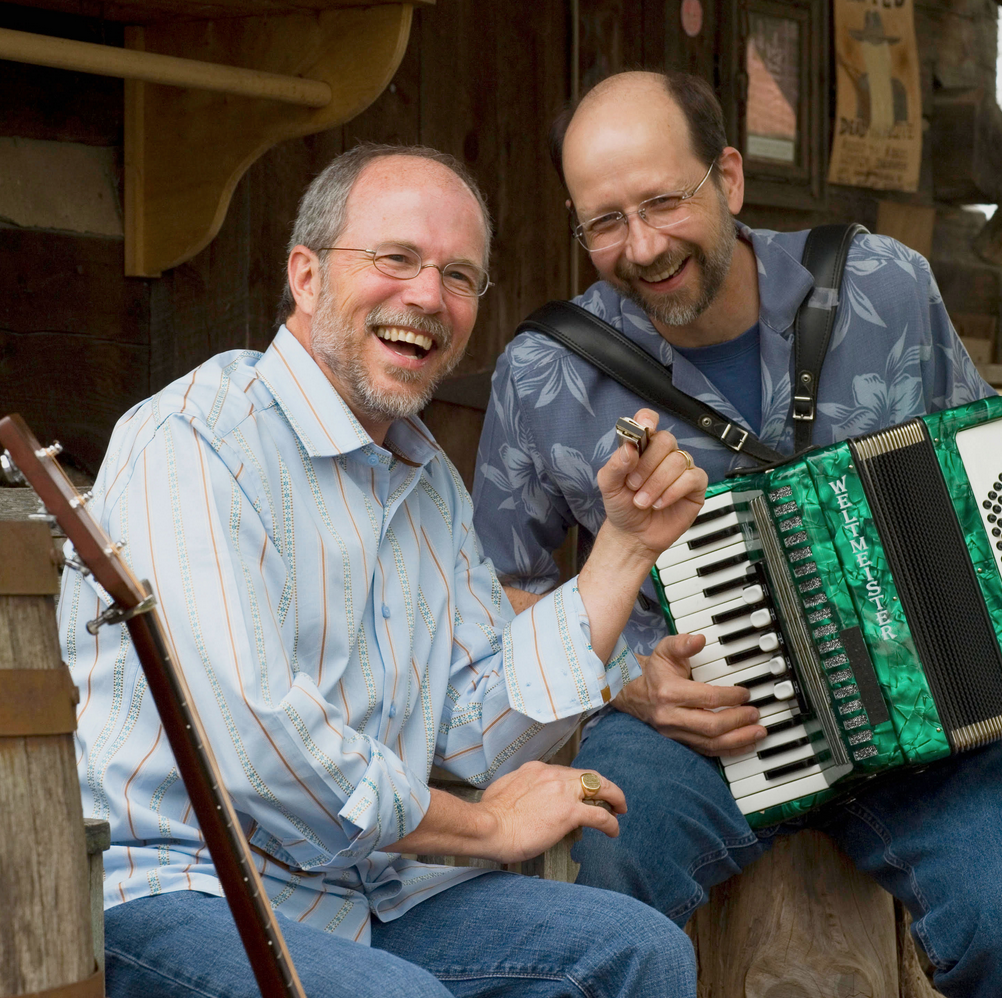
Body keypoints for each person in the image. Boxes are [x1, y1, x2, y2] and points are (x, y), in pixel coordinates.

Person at [59, 142, 705, 998]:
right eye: (396, 259)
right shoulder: (199, 438)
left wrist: (624, 547)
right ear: (307, 275)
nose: (429, 297)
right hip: (177, 890)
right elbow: (260, 757)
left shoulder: (427, 481)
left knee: (638, 952)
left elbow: (478, 729)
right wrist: (482, 827)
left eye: (460, 276)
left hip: (359, 894)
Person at [472, 71, 1001, 997]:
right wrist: (622, 680)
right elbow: (490, 584)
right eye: (603, 222)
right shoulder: (544, 373)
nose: (640, 246)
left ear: (728, 177)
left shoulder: (881, 283)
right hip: (692, 735)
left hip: (932, 728)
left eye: (664, 202)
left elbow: (978, 469)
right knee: (607, 873)